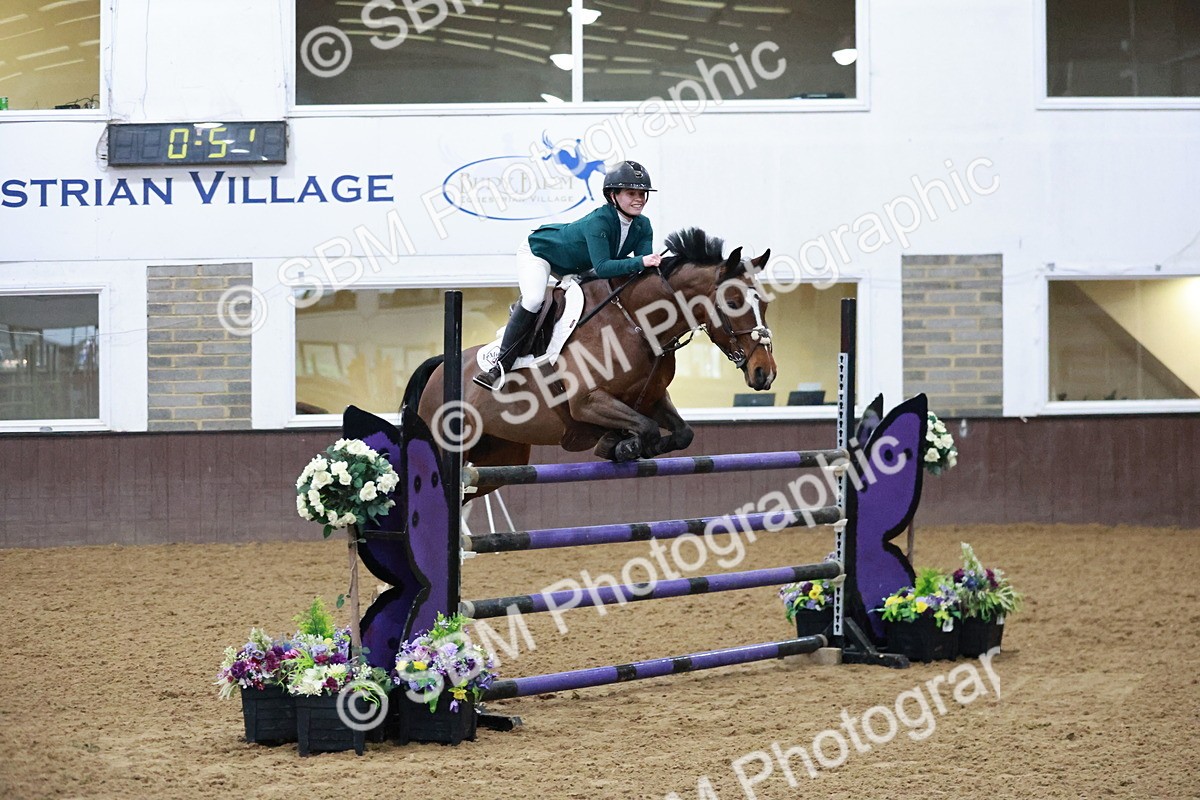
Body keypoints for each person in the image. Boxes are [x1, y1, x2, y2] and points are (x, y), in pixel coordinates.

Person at [472, 160, 663, 390]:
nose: (639, 198)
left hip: (576, 267)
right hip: (540, 253)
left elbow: (638, 271)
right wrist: (642, 261)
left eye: (643, 193)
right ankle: (499, 365)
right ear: (613, 196)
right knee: (534, 299)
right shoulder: (599, 221)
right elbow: (603, 268)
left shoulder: (643, 225)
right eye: (631, 193)